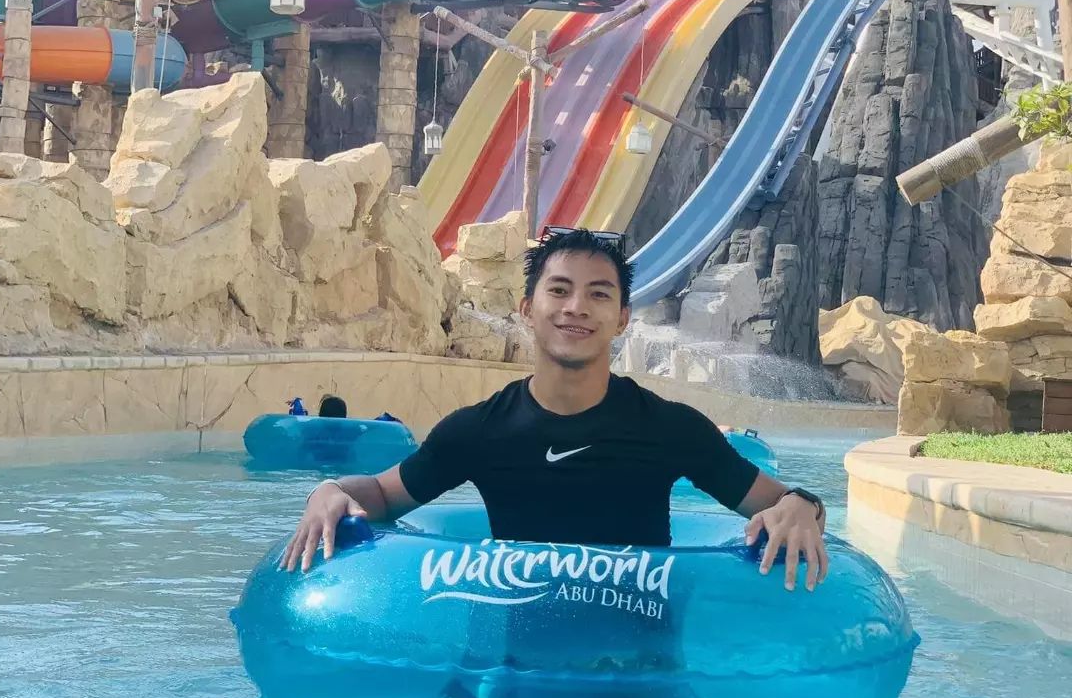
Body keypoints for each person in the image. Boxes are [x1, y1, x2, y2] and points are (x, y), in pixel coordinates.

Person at [280, 228, 829, 591]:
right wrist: (327, 492)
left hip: (636, 676)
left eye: (599, 294)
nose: (576, 308)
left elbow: (789, 503)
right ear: (527, 308)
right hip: (516, 671)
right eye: (559, 290)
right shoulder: (478, 431)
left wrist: (802, 508)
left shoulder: (671, 429)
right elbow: (382, 495)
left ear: (622, 319)